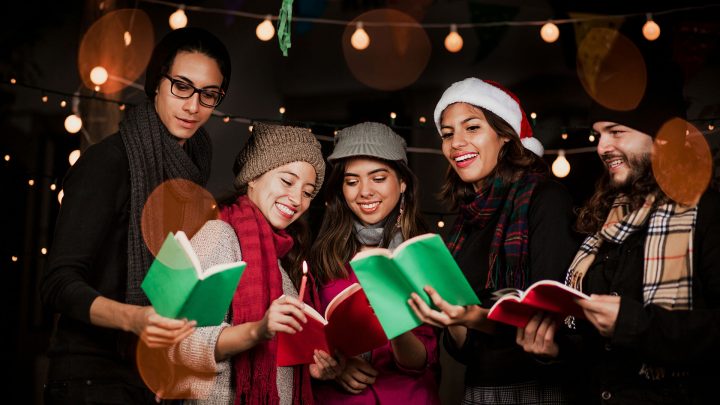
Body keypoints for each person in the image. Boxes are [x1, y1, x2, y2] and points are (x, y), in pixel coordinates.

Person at [41, 27, 231, 404]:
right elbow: (58, 284)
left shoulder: (192, 176)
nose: (193, 106)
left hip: (153, 381)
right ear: (156, 84)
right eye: (181, 86)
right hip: (91, 379)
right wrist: (133, 319)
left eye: (208, 94)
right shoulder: (108, 162)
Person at [516, 82, 720, 404]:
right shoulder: (604, 219)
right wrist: (554, 349)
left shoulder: (706, 213)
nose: (601, 147)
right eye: (599, 135)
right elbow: (593, 351)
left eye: (616, 132)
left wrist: (632, 323)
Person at [407, 77, 580, 404]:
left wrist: (468, 316)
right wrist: (449, 317)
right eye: (447, 134)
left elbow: (551, 312)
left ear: (504, 135)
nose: (456, 142)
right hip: (478, 391)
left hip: (538, 388)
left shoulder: (545, 198)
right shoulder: (466, 219)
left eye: (471, 128)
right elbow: (464, 345)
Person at [159, 122, 330, 404]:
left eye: (308, 192)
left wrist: (313, 366)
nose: (297, 199)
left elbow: (279, 364)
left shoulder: (284, 259)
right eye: (287, 181)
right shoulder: (217, 234)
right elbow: (178, 344)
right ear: (253, 176)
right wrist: (256, 331)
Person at [309, 122, 441, 404]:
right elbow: (307, 339)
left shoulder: (422, 254)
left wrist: (394, 319)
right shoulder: (323, 253)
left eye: (378, 178)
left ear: (402, 182)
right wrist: (334, 365)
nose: (364, 192)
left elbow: (420, 360)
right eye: (352, 181)